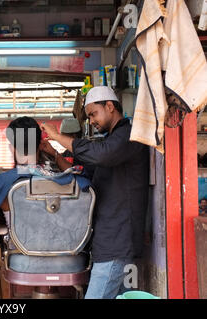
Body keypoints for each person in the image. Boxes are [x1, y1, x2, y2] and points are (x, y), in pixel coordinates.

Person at [40, 86, 149, 299]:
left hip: (118, 240)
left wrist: (57, 136)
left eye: (93, 114)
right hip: (109, 237)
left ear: (110, 106)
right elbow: (87, 174)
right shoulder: (111, 141)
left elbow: (100, 156)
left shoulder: (128, 136)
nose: (91, 121)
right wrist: (54, 154)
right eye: (89, 116)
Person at [0, 116, 90, 250]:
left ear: (12, 148)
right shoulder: (67, 180)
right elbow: (82, 179)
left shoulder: (1, 183)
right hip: (66, 252)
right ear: (41, 145)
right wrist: (55, 153)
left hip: (22, 253)